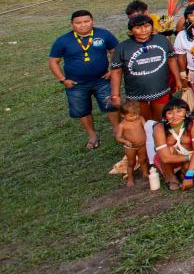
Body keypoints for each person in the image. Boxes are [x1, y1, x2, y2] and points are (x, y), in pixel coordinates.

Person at [49, 10, 121, 149]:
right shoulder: (63, 41)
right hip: (76, 84)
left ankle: (117, 130)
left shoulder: (103, 34)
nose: (83, 25)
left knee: (111, 105)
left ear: (92, 21)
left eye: (86, 21)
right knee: (82, 110)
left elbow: (115, 51)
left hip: (102, 80)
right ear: (72, 25)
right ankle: (92, 136)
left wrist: (112, 70)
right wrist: (63, 80)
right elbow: (53, 61)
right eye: (78, 23)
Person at [111, 14, 178, 122]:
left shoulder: (162, 40)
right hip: (136, 93)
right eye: (138, 27)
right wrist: (115, 95)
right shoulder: (122, 47)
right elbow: (116, 72)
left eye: (146, 26)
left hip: (160, 89)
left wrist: (178, 79)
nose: (143, 30)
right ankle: (145, 138)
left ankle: (160, 137)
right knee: (141, 120)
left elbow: (171, 60)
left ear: (152, 27)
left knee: (160, 119)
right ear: (131, 31)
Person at [151, 98, 194, 191]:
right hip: (170, 160)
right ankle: (171, 177)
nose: (175, 116)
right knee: (168, 150)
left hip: (189, 158)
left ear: (186, 113)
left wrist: (189, 176)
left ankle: (182, 173)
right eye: (170, 113)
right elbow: (165, 158)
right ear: (165, 116)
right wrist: (189, 157)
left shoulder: (193, 124)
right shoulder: (159, 128)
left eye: (179, 111)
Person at [115, 104, 149, 187]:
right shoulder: (122, 125)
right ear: (123, 115)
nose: (135, 117)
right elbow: (118, 137)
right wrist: (125, 141)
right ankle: (130, 178)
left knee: (143, 160)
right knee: (131, 163)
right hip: (130, 147)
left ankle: (145, 173)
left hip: (142, 145)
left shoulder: (140, 119)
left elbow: (146, 127)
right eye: (131, 116)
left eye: (137, 114)